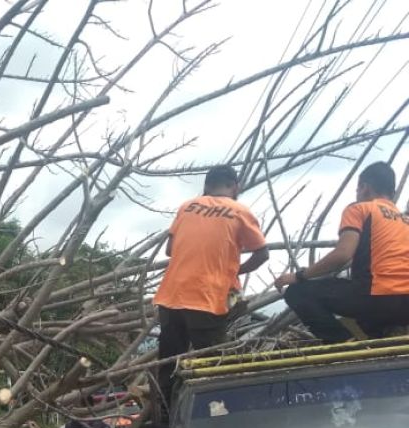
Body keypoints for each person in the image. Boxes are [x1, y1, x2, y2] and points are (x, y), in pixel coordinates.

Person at [153, 165, 269, 399]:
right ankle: (213, 412)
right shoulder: (239, 211)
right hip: (208, 298)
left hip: (172, 296)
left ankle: (164, 418)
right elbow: (262, 254)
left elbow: (170, 250)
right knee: (213, 365)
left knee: (168, 365)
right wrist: (236, 271)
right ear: (235, 186)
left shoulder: (187, 207)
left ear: (206, 187)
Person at [276, 162, 409, 342]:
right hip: (404, 305)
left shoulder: (360, 208)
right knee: (367, 314)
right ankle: (385, 336)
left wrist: (299, 276)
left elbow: (342, 255)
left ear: (364, 187)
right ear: (392, 193)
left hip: (376, 296)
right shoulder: (405, 221)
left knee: (298, 292)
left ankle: (346, 344)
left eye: (357, 189)